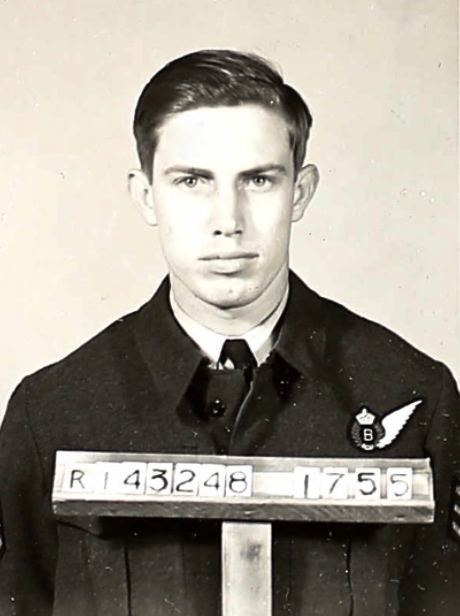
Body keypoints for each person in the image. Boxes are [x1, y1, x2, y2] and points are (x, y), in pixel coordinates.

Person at [0, 49, 459, 616]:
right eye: (192, 181)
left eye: (258, 180)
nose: (228, 221)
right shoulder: (51, 413)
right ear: (146, 195)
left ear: (300, 192)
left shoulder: (412, 395)